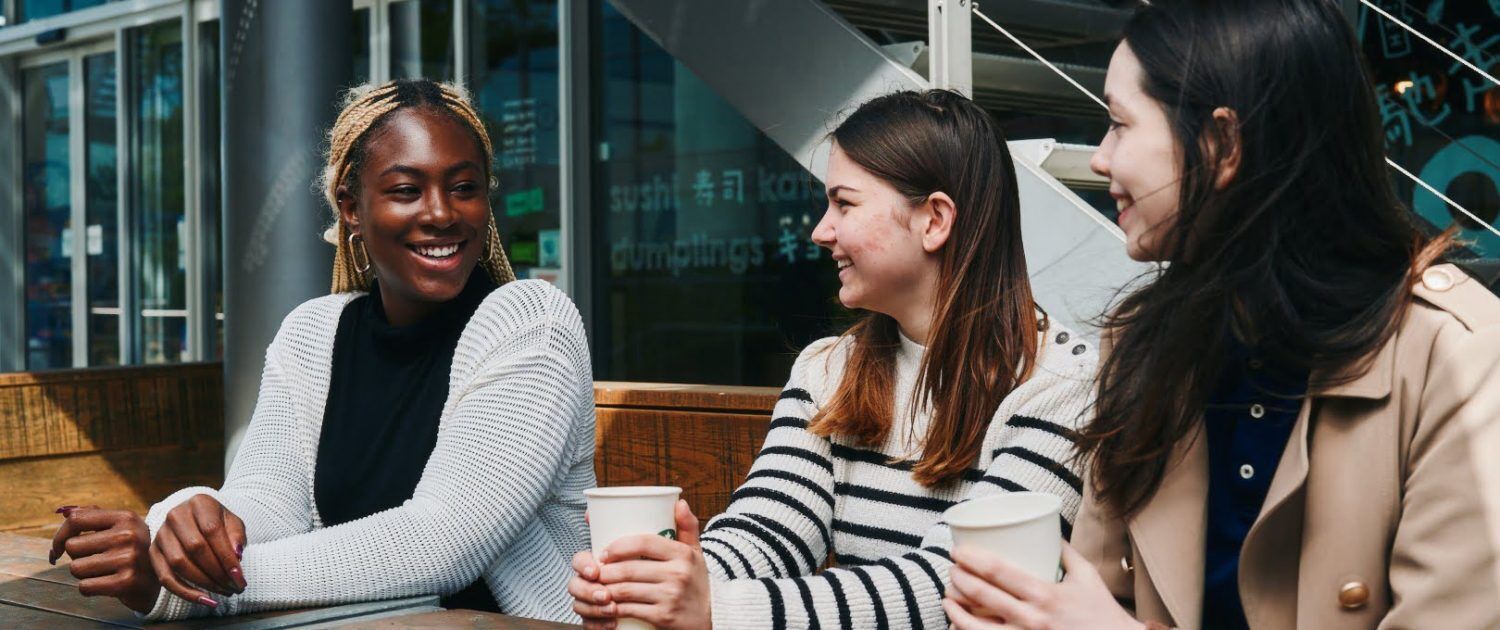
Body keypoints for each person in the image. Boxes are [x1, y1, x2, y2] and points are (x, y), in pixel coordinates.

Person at [943, 1, 1500, 629]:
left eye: (1119, 124)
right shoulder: (1140, 348)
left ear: (1223, 142)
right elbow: (1102, 595)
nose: (1099, 159)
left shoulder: (1460, 351)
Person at [48, 79, 596, 623]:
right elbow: (267, 499)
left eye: (464, 187)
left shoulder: (530, 325)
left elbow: (443, 542)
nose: (441, 213)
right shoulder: (313, 334)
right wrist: (176, 528)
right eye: (407, 190)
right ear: (351, 208)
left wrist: (191, 582)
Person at [568, 89, 1097, 629]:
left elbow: (959, 587)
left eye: (844, 204)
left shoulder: (1062, 384)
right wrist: (667, 577)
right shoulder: (829, 369)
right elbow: (770, 529)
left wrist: (716, 607)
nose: (820, 231)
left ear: (935, 220)